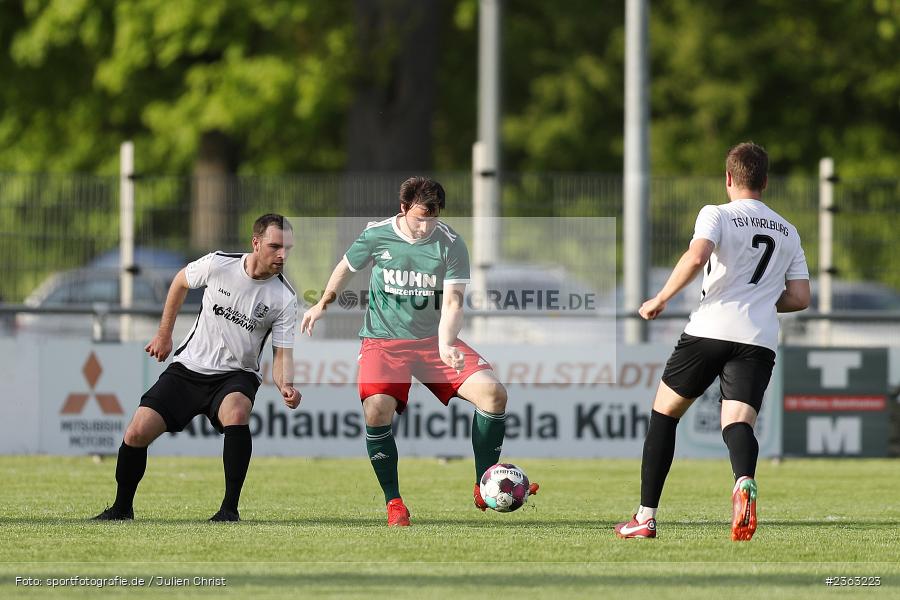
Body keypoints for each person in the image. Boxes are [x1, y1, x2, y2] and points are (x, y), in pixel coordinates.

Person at [301, 176, 537, 526]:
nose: (426, 225)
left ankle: (484, 483)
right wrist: (322, 302)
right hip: (383, 343)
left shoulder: (451, 243)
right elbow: (345, 269)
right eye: (420, 216)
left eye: (433, 216)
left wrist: (445, 343)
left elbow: (455, 300)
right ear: (403, 209)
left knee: (493, 393)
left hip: (431, 342)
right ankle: (394, 502)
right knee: (377, 410)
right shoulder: (376, 234)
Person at [614, 142, 810, 541]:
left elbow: (696, 256)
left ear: (728, 178)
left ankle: (645, 517)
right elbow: (801, 297)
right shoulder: (788, 230)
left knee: (665, 414)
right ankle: (743, 482)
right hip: (758, 338)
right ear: (765, 181)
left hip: (710, 329)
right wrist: (758, 297)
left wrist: (660, 298)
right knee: (737, 423)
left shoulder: (716, 213)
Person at [93, 214, 301, 522]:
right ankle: (122, 508)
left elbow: (282, 353)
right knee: (136, 432)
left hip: (236, 376)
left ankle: (229, 510)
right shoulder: (219, 264)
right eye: (275, 246)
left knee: (237, 412)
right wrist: (164, 333)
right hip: (188, 368)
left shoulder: (284, 298)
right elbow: (179, 281)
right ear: (256, 243)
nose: (282, 255)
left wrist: (286, 384)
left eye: (288, 248)